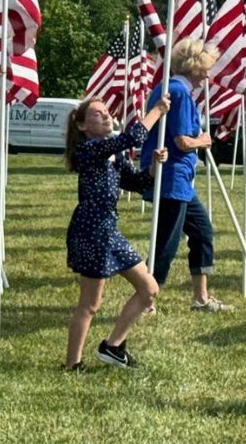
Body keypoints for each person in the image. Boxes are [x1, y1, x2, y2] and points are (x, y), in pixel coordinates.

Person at [63, 96, 170, 370]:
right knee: (90, 304)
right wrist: (156, 110)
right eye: (98, 114)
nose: (106, 116)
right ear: (82, 125)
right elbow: (131, 137)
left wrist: (153, 167)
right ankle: (72, 364)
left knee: (148, 289)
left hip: (109, 230)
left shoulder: (112, 153)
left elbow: (134, 182)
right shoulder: (89, 148)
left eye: (107, 112)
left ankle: (112, 347)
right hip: (91, 230)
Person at [140, 38, 234, 313]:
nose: (208, 74)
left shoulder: (173, 89)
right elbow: (181, 140)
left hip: (179, 180)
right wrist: (202, 141)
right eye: (207, 68)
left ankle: (200, 298)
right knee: (165, 244)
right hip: (171, 178)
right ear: (195, 67)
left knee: (202, 231)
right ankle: (145, 301)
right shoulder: (179, 92)